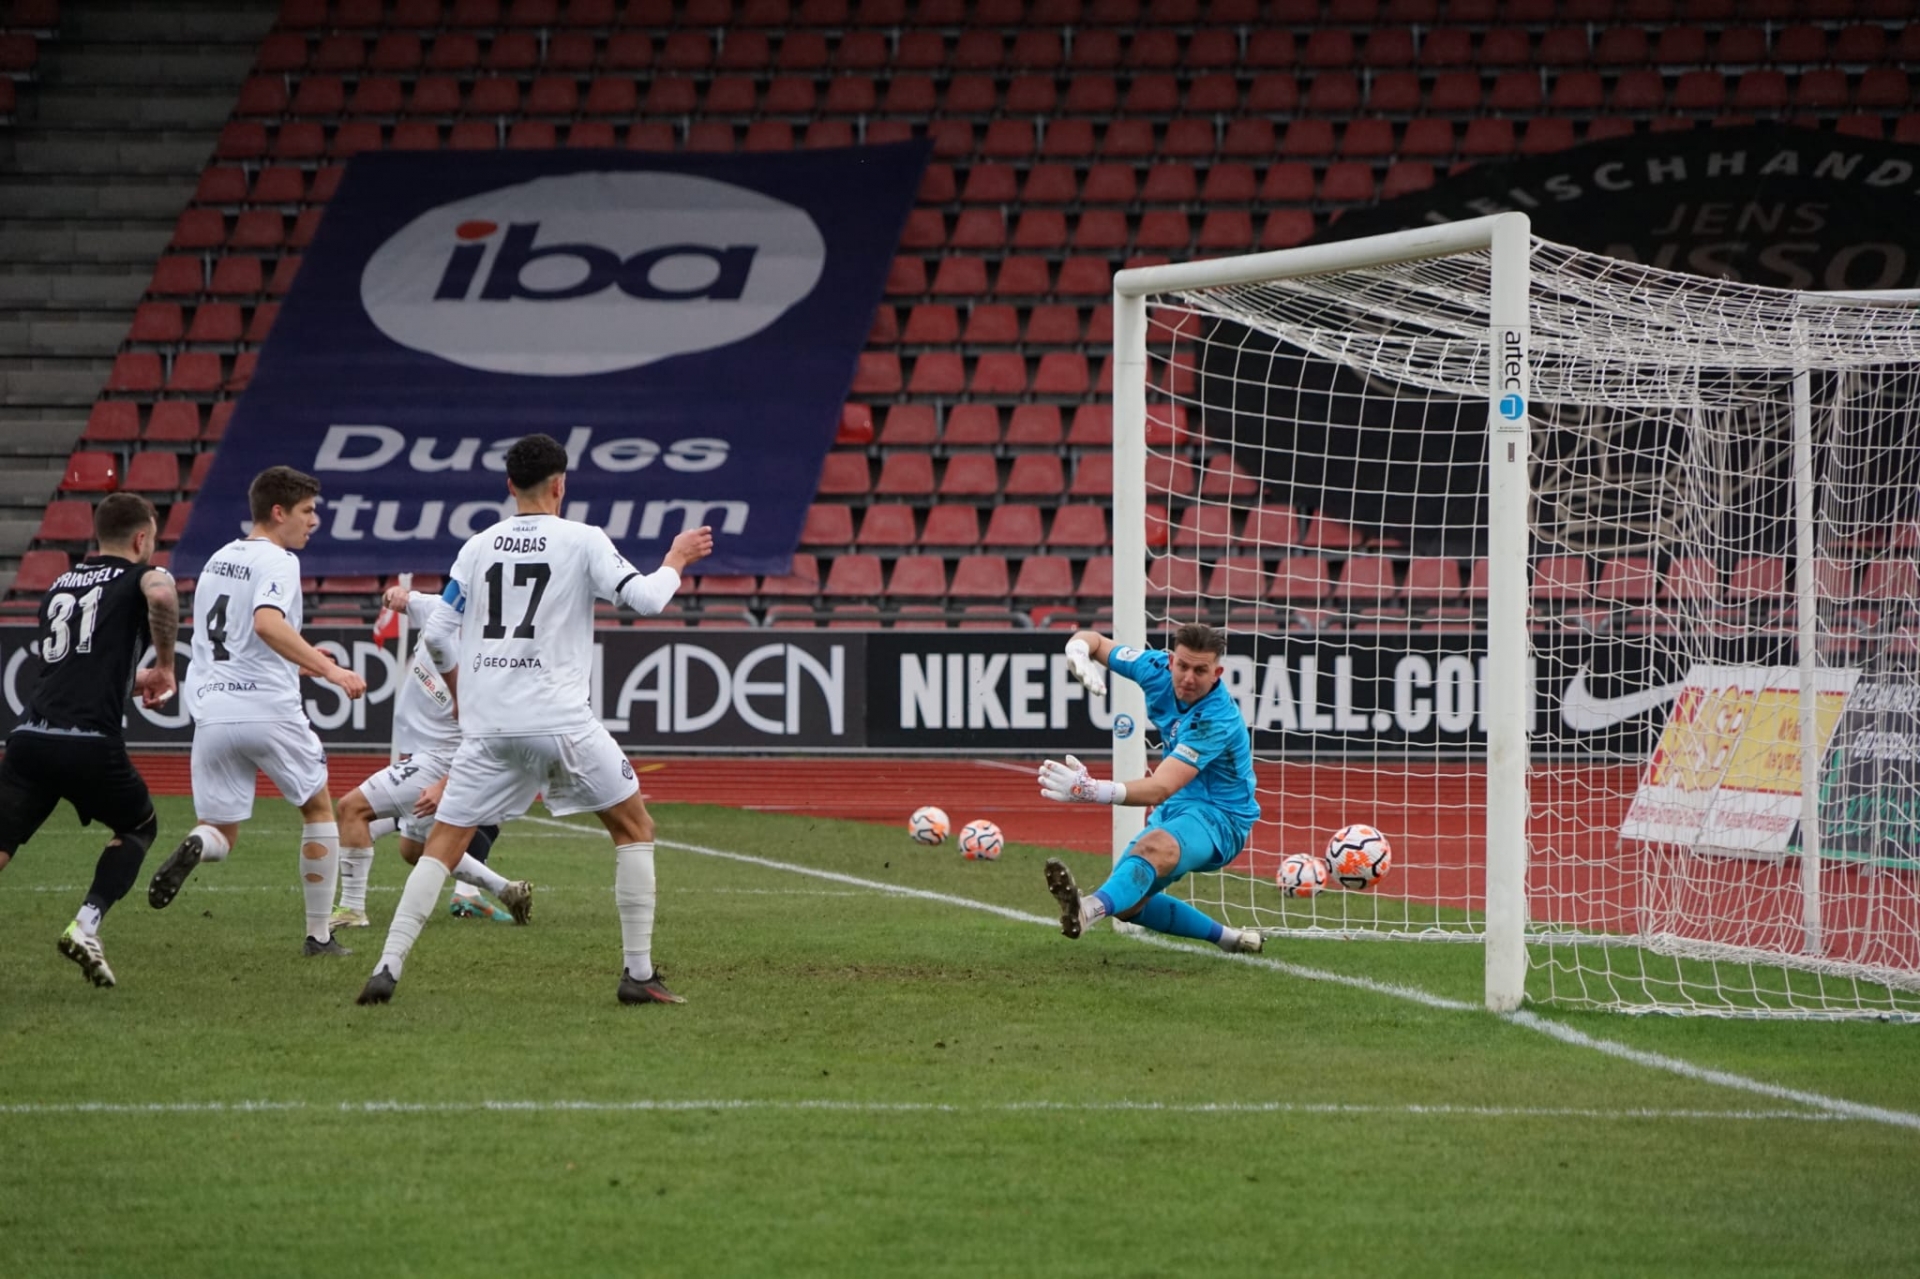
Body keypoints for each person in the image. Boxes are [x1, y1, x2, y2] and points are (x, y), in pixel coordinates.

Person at [356, 433, 712, 1006]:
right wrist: (676, 559)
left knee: (440, 846)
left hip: (488, 729)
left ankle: (386, 968)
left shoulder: (478, 546)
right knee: (634, 828)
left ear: (509, 486)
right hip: (560, 722)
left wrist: (461, 694)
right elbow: (647, 599)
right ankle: (638, 975)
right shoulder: (582, 539)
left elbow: (439, 633)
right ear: (560, 485)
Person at [146, 466, 367, 956]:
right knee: (318, 809)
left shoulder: (219, 559)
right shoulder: (280, 561)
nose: (314, 521)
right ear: (278, 512)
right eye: (307, 511)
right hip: (268, 709)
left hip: (213, 711)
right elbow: (266, 624)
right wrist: (331, 671)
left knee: (221, 830)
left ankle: (198, 845)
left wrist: (299, 661)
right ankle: (319, 936)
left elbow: (236, 635)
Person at [0, 494, 179, 986]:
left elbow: (78, 669)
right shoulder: (142, 576)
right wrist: (165, 666)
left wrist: (136, 680)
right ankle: (86, 924)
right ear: (141, 539)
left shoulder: (61, 584)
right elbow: (163, 597)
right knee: (138, 825)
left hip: (30, 737)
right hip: (88, 743)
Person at [1037, 622, 1265, 954]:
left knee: (1153, 848)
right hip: (1177, 808)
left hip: (1222, 817)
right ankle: (1230, 939)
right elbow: (1096, 640)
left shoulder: (1217, 719)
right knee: (1129, 900)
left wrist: (1091, 790)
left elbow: (1160, 787)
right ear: (1171, 661)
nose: (1188, 678)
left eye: (1200, 671)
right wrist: (1077, 650)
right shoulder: (1155, 668)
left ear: (1217, 673)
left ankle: (1086, 910)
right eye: (1183, 666)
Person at [331, 583, 531, 930]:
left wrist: (444, 784)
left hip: (444, 760)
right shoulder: (441, 611)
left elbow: (487, 740)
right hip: (421, 751)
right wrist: (394, 595)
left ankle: (352, 910)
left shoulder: (493, 662)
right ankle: (506, 890)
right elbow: (399, 598)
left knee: (352, 808)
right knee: (413, 849)